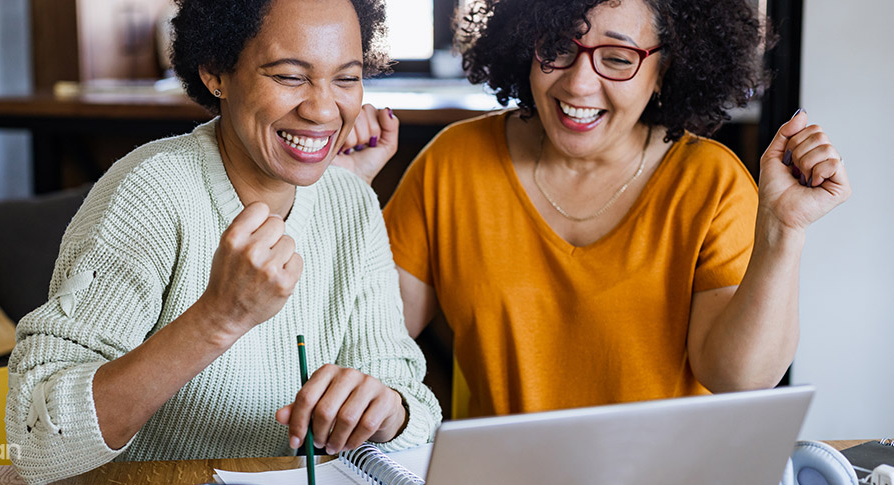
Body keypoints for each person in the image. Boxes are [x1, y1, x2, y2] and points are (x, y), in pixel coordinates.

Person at [342, 0, 851, 418]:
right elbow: (366, 334)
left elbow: (738, 378)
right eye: (559, 48)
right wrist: (340, 197)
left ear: (664, 67)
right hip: (501, 484)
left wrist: (783, 231)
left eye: (617, 58)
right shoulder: (455, 164)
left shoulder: (709, 183)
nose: (579, 85)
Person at [5, 0, 440, 485]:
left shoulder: (352, 203)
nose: (323, 109)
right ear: (216, 73)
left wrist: (386, 411)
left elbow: (414, 405)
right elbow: (37, 441)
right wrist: (219, 317)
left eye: (346, 78)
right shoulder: (149, 192)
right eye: (289, 77)